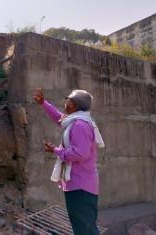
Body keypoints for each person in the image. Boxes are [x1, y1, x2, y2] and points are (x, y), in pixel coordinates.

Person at [33, 88, 105, 235]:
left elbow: (80, 153)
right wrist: (43, 103)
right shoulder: (76, 121)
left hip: (80, 185)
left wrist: (56, 151)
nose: (65, 100)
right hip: (80, 184)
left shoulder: (80, 125)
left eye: (68, 98)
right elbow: (59, 118)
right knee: (83, 227)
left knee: (85, 229)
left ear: (74, 104)